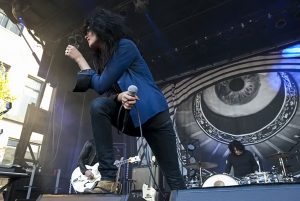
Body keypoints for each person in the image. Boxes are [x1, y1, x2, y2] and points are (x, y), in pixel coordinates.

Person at [65, 8, 185, 193]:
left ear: (101, 27)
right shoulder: (104, 61)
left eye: (89, 29)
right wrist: (119, 96)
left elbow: (100, 84)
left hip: (154, 115)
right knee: (99, 106)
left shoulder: (125, 46)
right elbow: (104, 91)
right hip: (131, 118)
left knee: (174, 178)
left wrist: (79, 58)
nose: (86, 34)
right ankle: (108, 178)